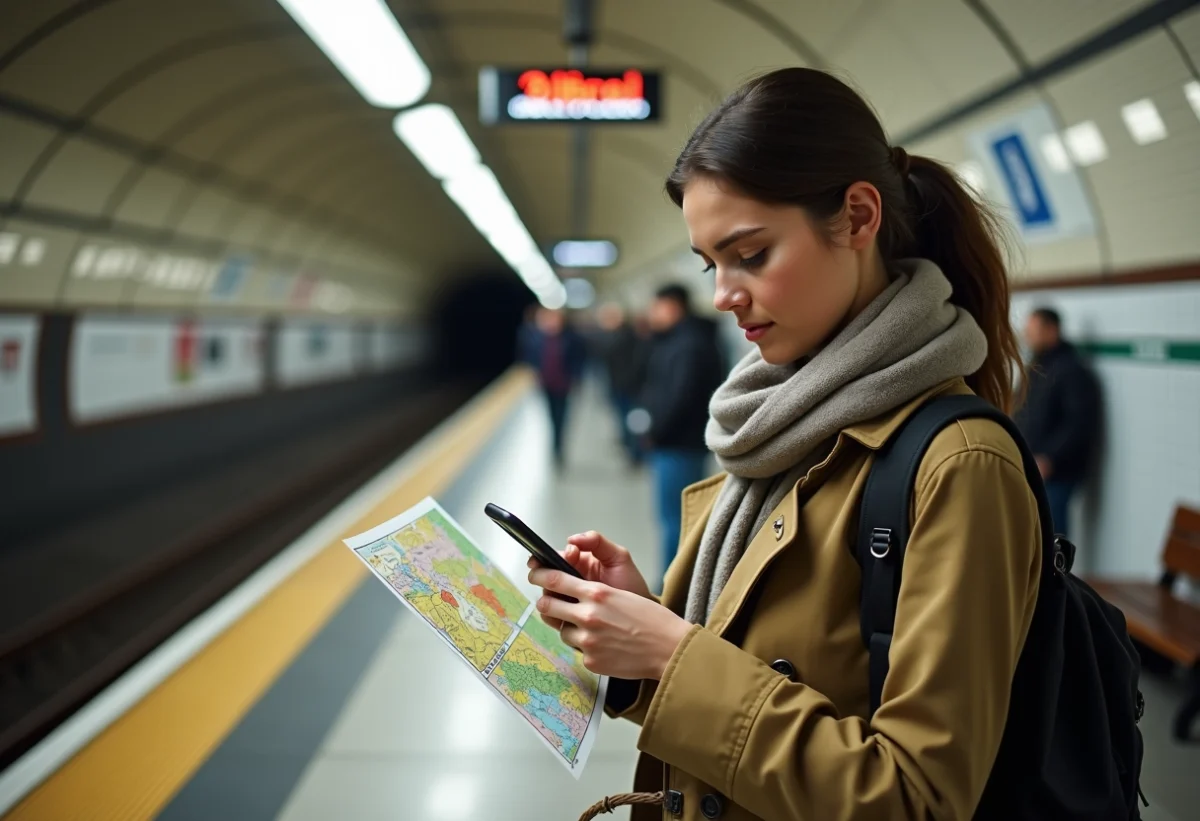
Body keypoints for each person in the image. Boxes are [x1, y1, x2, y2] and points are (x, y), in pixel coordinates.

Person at [527, 68, 1050, 820]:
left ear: (858, 217)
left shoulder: (960, 464)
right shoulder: (777, 425)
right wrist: (644, 625)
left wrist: (672, 653)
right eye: (710, 264)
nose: (722, 295)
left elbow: (918, 799)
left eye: (751, 254)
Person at [634, 284, 724, 577]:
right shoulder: (684, 341)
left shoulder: (687, 346)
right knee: (679, 516)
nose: (652, 314)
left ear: (673, 307)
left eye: (656, 307)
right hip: (682, 442)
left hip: (678, 444)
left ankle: (670, 583)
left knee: (676, 518)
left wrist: (655, 432)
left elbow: (680, 398)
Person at [1014, 307, 1101, 537]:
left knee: (1053, 538)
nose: (1027, 337)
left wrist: (1049, 458)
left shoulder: (1071, 370)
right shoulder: (1036, 367)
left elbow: (1079, 423)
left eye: (1033, 331)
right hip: (1032, 466)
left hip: (1056, 472)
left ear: (1052, 330)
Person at [516, 307, 586, 469]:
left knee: (560, 418)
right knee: (548, 417)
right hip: (544, 384)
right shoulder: (535, 339)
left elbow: (579, 360)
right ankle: (552, 447)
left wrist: (576, 379)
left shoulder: (570, 339)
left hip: (563, 385)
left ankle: (558, 449)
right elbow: (527, 358)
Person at [592, 302, 648, 465]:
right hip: (617, 385)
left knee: (632, 420)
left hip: (630, 387)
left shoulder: (628, 336)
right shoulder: (612, 336)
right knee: (623, 419)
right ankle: (631, 448)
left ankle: (635, 452)